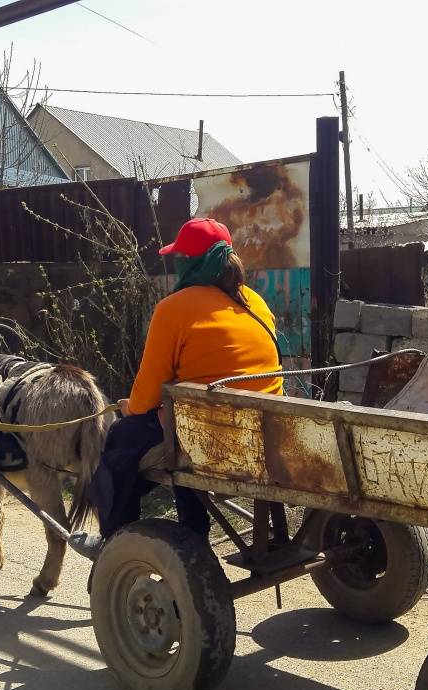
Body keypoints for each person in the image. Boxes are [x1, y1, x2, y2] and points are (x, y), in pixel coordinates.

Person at [80, 218, 283, 556]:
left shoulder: (173, 309)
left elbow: (145, 398)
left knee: (119, 444)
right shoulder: (255, 302)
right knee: (182, 423)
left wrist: (131, 407)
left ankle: (115, 545)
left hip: (211, 433)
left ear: (189, 263)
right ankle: (192, 530)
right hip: (265, 430)